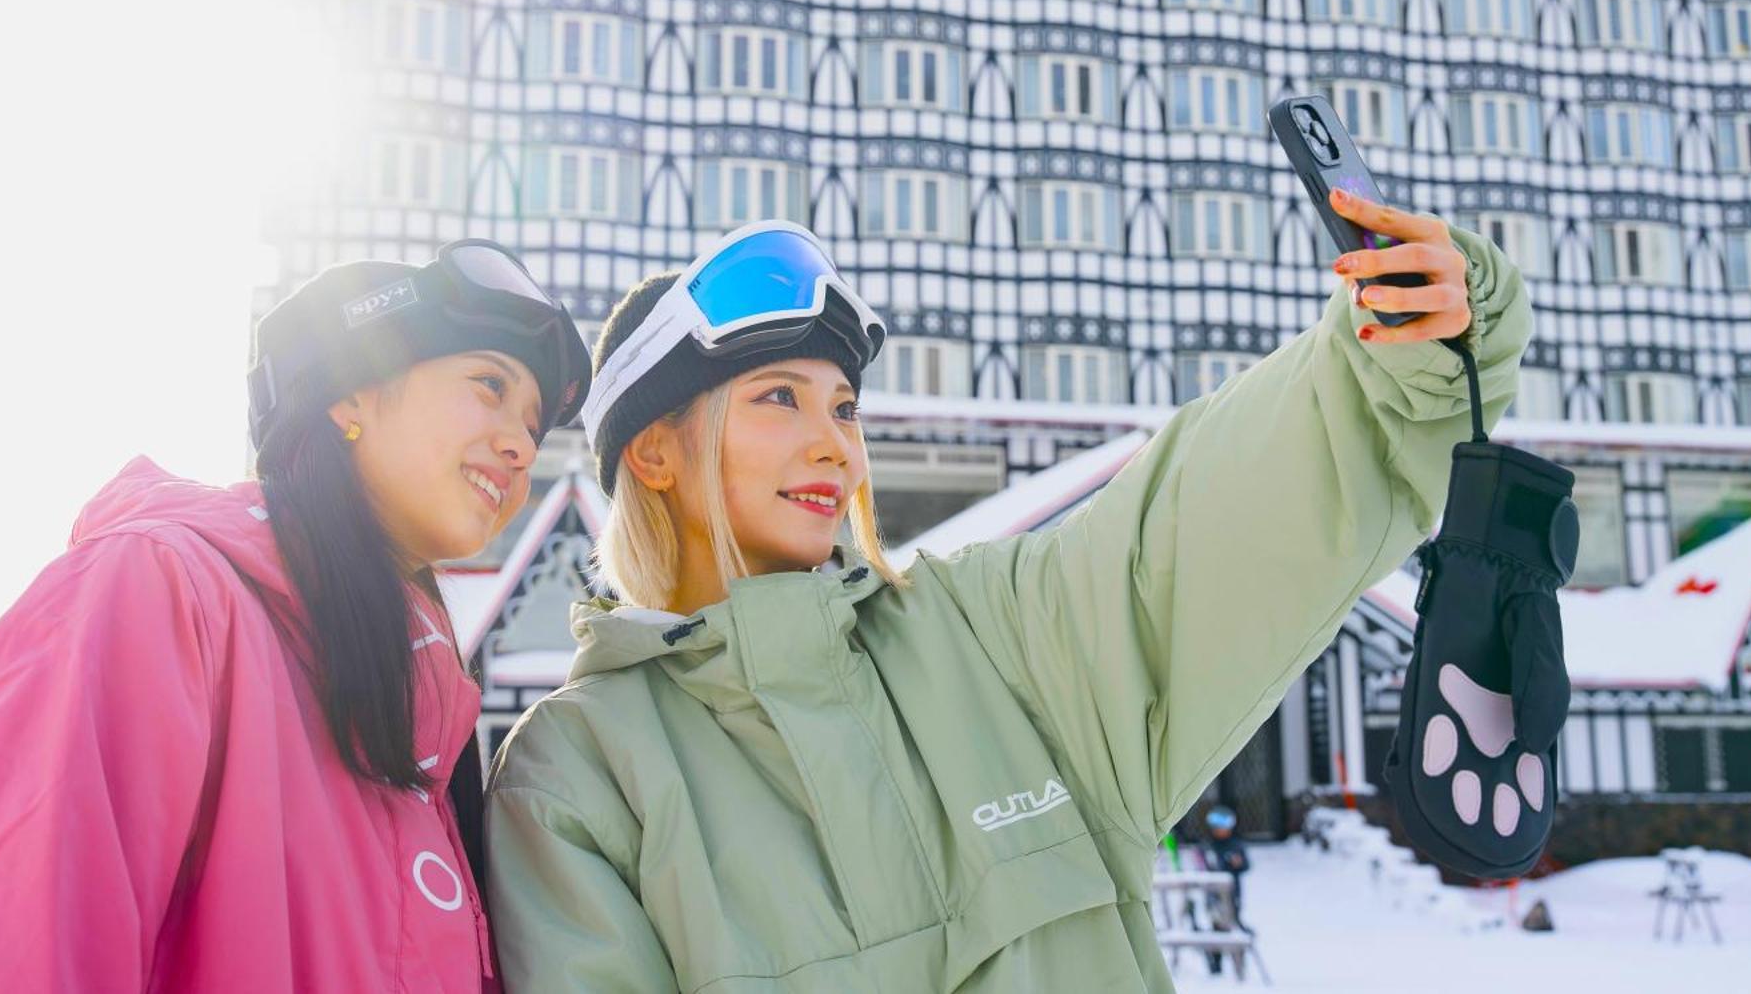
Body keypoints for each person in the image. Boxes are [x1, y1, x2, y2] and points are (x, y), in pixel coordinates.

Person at [487, 191, 1531, 994]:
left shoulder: (991, 639)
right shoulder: (574, 774)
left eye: (845, 406)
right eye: (777, 397)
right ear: (656, 452)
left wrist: (1397, 355)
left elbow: (1193, 527)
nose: (833, 443)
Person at [0, 241, 590, 993]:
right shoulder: (161, 590)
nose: (521, 445)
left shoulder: (437, 717)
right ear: (348, 393)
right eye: (490, 385)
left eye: (535, 424)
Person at [1199, 805, 1252, 972]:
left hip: (1232, 895)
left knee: (1234, 927)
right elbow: (1203, 867)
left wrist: (1238, 863)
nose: (1221, 830)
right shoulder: (1208, 846)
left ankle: (1239, 965)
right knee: (1216, 928)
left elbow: (1245, 865)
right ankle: (1216, 966)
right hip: (1213, 896)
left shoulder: (1236, 845)